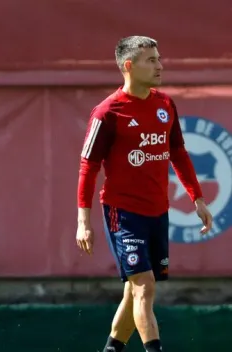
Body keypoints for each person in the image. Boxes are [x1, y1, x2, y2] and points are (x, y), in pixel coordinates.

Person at [76, 36, 213, 352]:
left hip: (158, 211)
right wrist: (83, 220)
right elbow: (88, 167)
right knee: (143, 287)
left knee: (133, 291)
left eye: (159, 58)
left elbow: (178, 152)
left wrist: (198, 198)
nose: (160, 65)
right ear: (129, 66)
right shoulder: (107, 112)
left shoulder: (165, 104)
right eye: (151, 60)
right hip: (122, 213)